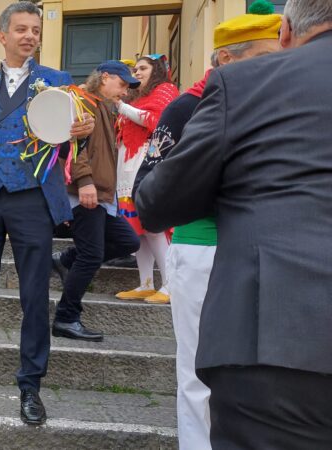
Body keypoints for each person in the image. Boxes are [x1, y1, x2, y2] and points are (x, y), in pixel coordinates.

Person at [136, 0, 332, 446]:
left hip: (271, 312)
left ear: (286, 32)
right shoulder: (187, 105)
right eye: (262, 58)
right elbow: (151, 183)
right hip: (213, 255)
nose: (278, 65)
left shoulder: (243, 88)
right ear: (227, 58)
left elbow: (160, 198)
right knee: (193, 379)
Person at [0, 2, 94, 425]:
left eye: (34, 30)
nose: (29, 35)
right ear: (2, 35)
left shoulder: (57, 82)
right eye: (21, 29)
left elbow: (69, 136)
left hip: (33, 200)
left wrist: (81, 131)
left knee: (33, 298)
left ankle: (30, 385)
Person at [51, 61, 141, 342]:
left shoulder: (103, 106)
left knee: (129, 242)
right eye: (122, 84)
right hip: (87, 193)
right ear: (105, 77)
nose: (125, 92)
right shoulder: (83, 101)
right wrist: (84, 181)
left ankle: (65, 260)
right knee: (91, 255)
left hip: (102, 194)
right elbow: (74, 145)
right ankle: (66, 317)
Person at [114, 55, 178, 304]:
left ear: (157, 70)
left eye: (143, 68)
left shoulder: (165, 90)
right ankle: (146, 283)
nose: (137, 73)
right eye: (135, 69)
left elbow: (158, 122)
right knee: (137, 230)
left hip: (148, 164)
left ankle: (171, 284)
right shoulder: (135, 97)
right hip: (127, 167)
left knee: (152, 224)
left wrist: (122, 107)